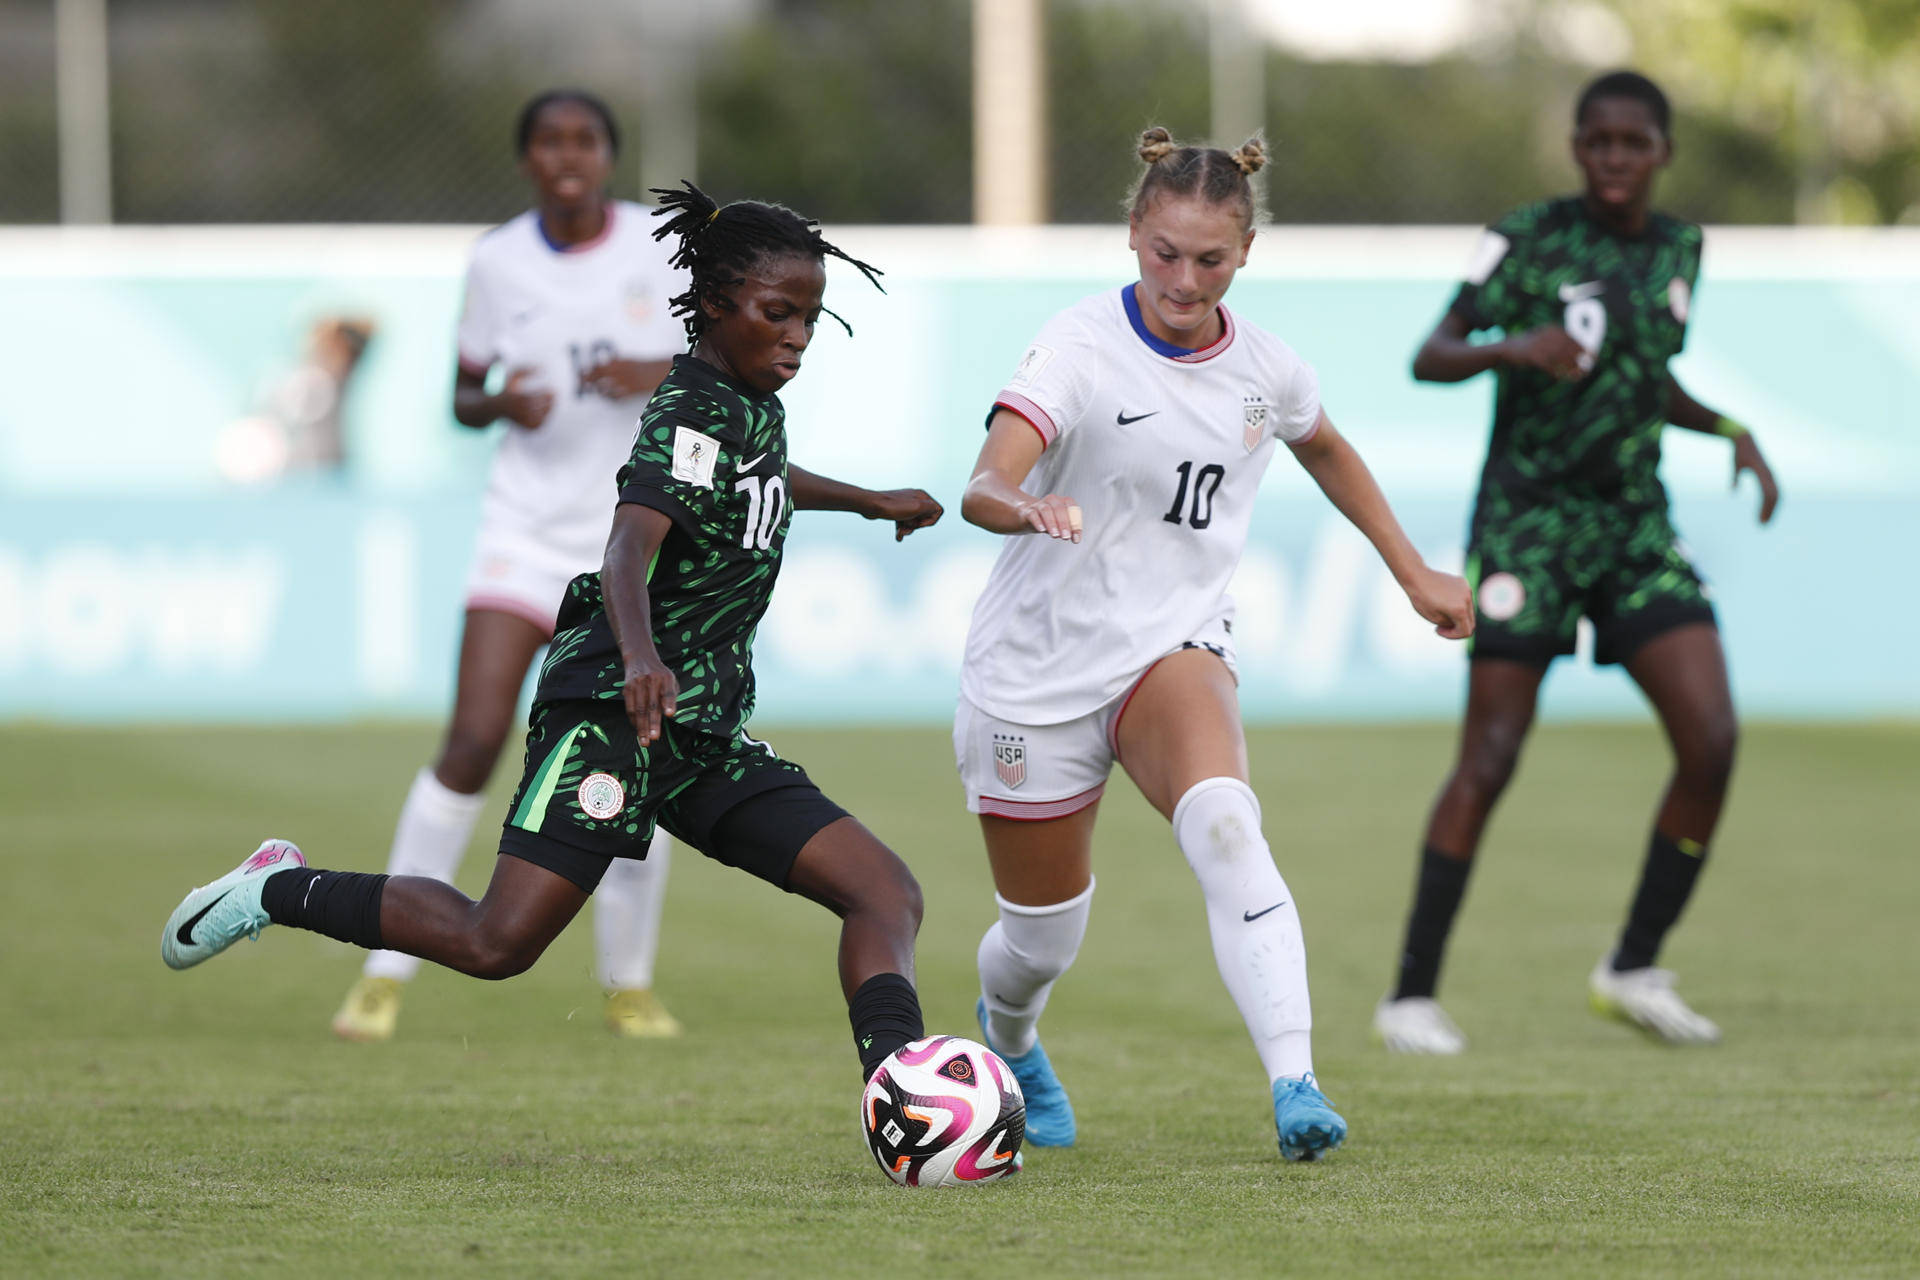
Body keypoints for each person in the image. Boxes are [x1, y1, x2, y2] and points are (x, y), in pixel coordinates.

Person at [165, 181, 948, 1102]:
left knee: (884, 892)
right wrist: (643, 656)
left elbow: (757, 474)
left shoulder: (748, 408)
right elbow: (626, 547)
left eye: (811, 319)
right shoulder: (688, 409)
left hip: (700, 733)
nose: (798, 337)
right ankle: (276, 889)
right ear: (711, 306)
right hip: (619, 713)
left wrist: (867, 498)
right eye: (779, 314)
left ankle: (900, 1091)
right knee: (495, 944)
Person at [955, 127, 1475, 1161]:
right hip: (1032, 670)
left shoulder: (1268, 370)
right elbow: (983, 481)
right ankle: (1008, 1035)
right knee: (1040, 937)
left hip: (1171, 646)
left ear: (1245, 254)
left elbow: (1326, 446)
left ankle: (1296, 1081)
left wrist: (1414, 571)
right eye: (1165, 253)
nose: (1183, 280)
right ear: (1134, 235)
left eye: (1211, 259)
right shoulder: (1076, 347)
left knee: (1228, 826)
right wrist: (1022, 505)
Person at [1372, 71, 1781, 1055]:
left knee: (1713, 738)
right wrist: (1518, 345)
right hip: (1530, 523)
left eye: (1633, 143)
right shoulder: (1525, 237)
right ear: (1576, 146)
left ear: (1662, 153)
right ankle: (1411, 995)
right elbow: (1432, 352)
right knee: (1493, 755)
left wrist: (1728, 425)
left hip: (1635, 524)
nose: (1613, 158)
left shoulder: (1683, 248)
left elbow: (1645, 376)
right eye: (1597, 140)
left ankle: (1633, 965)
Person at [331, 90, 689, 1043]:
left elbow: (719, 366)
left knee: (640, 751)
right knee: (475, 737)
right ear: (527, 159)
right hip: (524, 534)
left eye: (585, 140)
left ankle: (628, 982)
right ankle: (385, 973)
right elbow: (461, 394)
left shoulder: (657, 245)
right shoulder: (497, 259)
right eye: (549, 141)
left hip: (630, 540)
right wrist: (503, 404)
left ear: (610, 155)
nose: (568, 155)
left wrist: (651, 372)